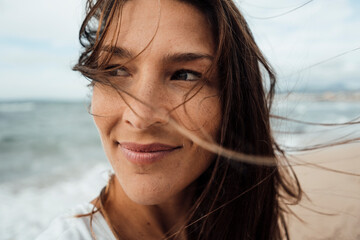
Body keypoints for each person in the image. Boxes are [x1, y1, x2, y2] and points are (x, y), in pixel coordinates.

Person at [37, 0, 301, 239]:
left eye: (184, 75)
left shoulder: (244, 222)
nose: (140, 118)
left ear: (233, 101)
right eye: (116, 70)